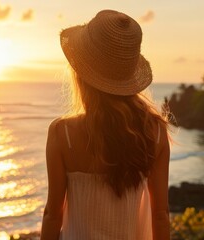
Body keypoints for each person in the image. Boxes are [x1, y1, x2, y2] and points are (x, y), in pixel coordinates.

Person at [40, 9, 171, 240]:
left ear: (81, 74)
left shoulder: (63, 134)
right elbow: (161, 215)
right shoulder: (156, 132)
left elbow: (53, 214)